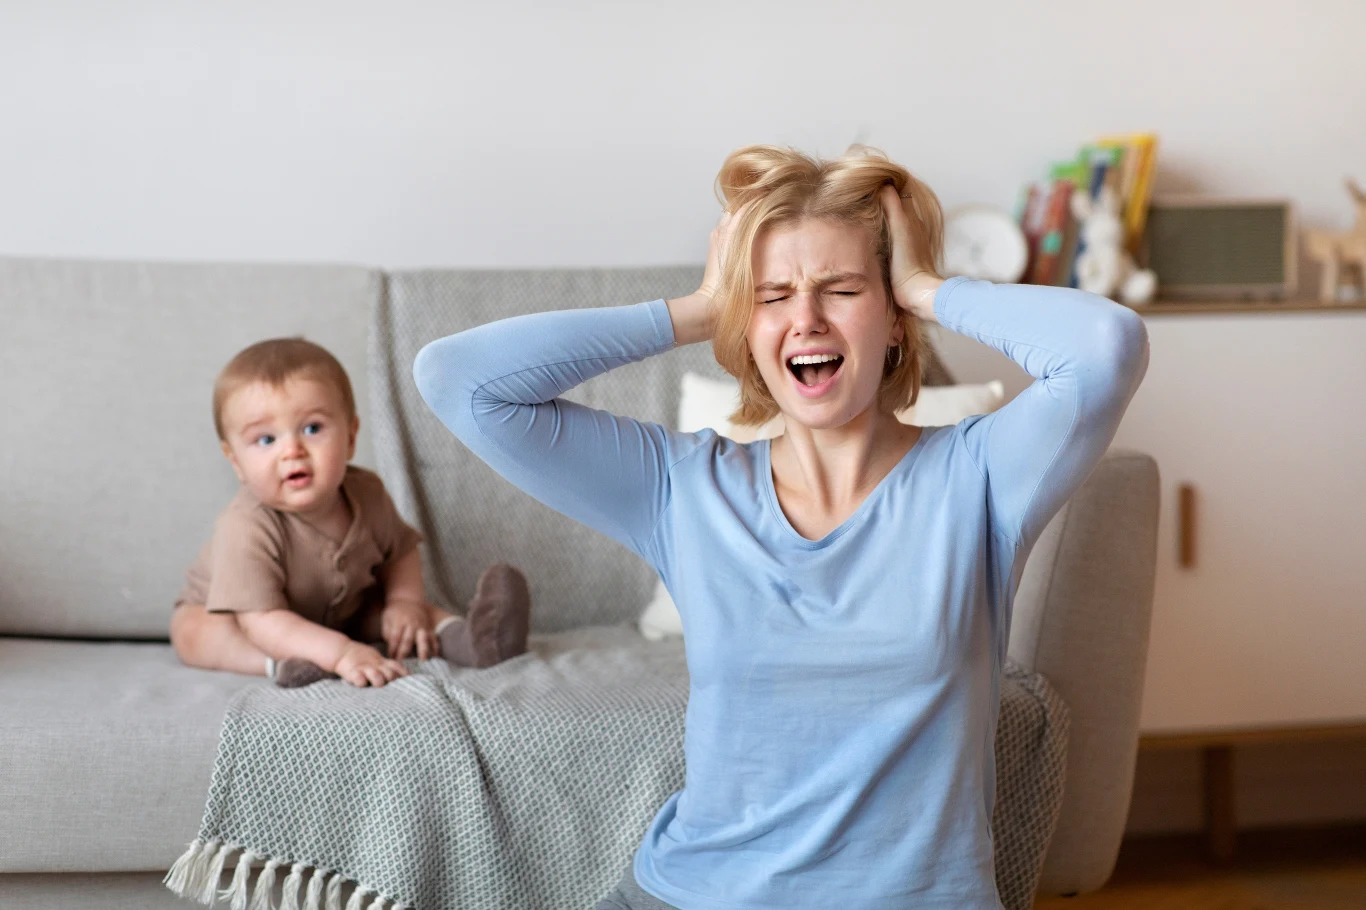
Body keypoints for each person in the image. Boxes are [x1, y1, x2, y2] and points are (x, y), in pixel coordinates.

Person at [413, 145, 1149, 909]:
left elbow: (1106, 347)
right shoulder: (681, 488)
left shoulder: (980, 478)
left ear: (894, 322)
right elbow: (456, 381)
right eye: (772, 296)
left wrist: (927, 289)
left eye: (842, 289)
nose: (805, 319)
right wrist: (705, 306)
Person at [171, 337, 531, 688]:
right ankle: (282, 665)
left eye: (312, 428)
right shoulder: (245, 526)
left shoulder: (367, 493)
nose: (292, 451)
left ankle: (477, 641)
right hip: (252, 622)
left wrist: (403, 603)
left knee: (408, 615)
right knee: (194, 632)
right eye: (266, 439)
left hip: (346, 611)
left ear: (351, 436)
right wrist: (341, 653)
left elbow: (401, 552)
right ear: (236, 461)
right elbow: (262, 621)